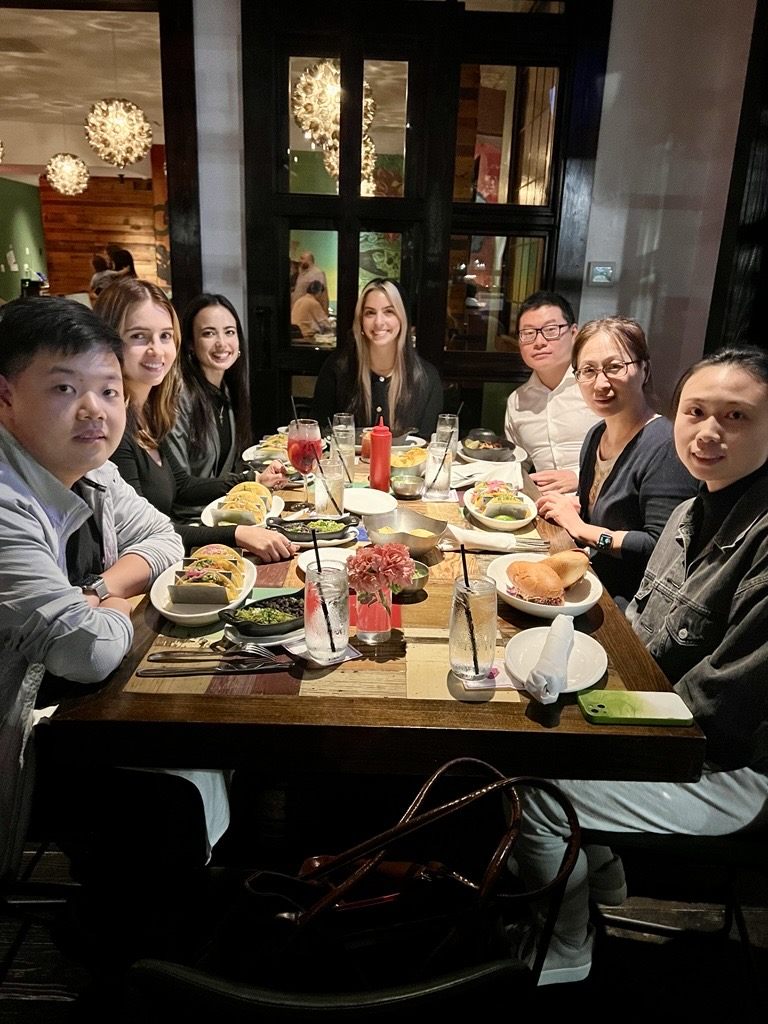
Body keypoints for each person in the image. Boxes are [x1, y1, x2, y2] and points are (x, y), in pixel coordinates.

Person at [511, 344, 768, 987]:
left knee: (533, 792)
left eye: (735, 418)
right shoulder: (691, 510)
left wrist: (601, 731)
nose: (708, 432)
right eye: (697, 411)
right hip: (665, 728)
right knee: (530, 730)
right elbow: (645, 640)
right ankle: (603, 872)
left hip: (731, 769)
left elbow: (722, 711)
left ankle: (565, 946)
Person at [0, 296, 227, 890]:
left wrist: (99, 589)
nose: (92, 411)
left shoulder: (94, 469)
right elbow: (89, 650)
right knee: (170, 796)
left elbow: (162, 537)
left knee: (209, 737)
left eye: (106, 390)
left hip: (67, 705)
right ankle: (129, 961)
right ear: (5, 398)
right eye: (63, 389)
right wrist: (115, 605)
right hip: (16, 742)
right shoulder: (5, 503)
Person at [93, 280, 296, 560]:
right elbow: (143, 532)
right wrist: (236, 533)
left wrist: (253, 479)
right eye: (139, 336)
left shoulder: (150, 412)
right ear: (109, 341)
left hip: (174, 549)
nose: (156, 349)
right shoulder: (112, 430)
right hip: (156, 564)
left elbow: (184, 485)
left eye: (165, 336)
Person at [535, 316, 697, 606]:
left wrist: (582, 528)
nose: (600, 383)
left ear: (644, 369)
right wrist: (575, 507)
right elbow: (594, 514)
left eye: (614, 367)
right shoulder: (597, 434)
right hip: (590, 582)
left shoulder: (666, 446)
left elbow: (661, 547)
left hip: (630, 603)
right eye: (588, 370)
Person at [310, 277, 443, 439]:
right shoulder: (337, 369)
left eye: (389, 311)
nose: (379, 322)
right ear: (361, 321)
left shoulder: (427, 378)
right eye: (370, 313)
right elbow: (318, 437)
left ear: (403, 319)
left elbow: (427, 448)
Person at [164, 293, 252, 518]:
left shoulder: (226, 389)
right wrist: (248, 481)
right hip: (188, 522)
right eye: (209, 333)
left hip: (219, 513)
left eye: (229, 332)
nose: (222, 343)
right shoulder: (178, 396)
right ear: (191, 344)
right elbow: (179, 488)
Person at [504, 291, 600, 493]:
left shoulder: (597, 386)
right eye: (529, 333)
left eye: (551, 330)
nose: (539, 342)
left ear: (574, 334)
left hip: (599, 506)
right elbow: (516, 464)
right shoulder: (517, 401)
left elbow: (631, 453)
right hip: (545, 511)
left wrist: (580, 477)